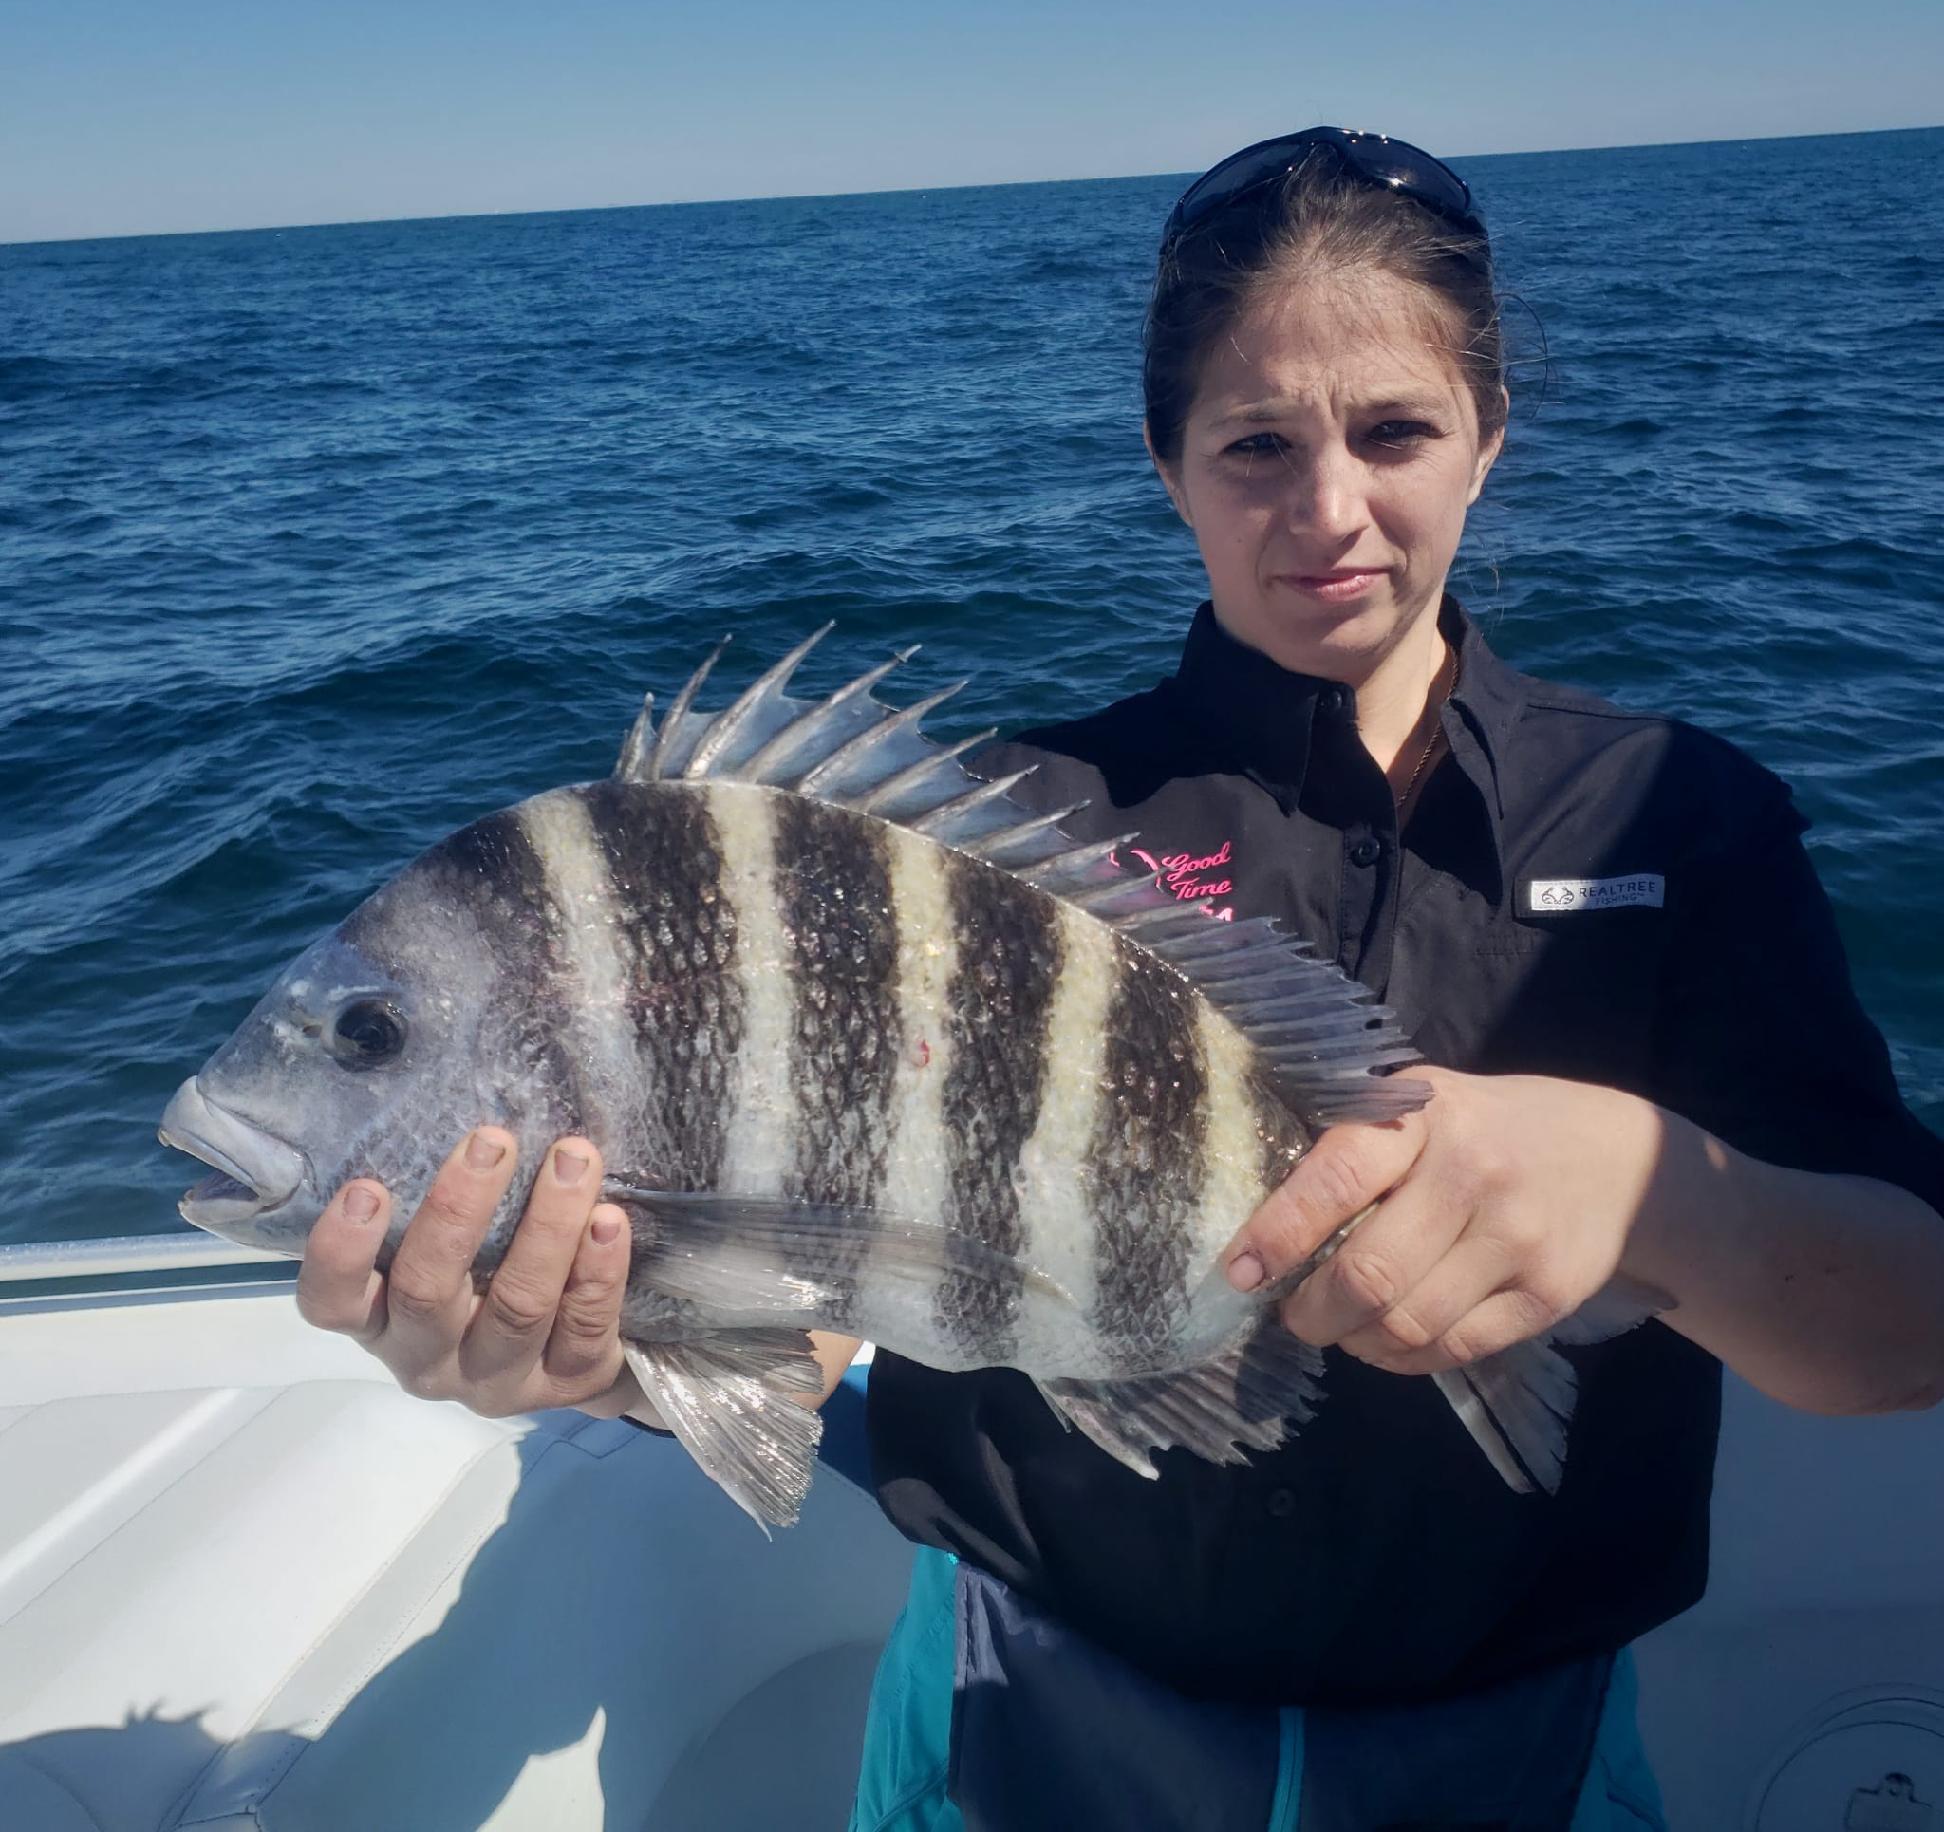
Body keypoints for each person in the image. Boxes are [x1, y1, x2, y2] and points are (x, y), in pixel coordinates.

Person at [292, 128, 1944, 1829]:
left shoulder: (1682, 816)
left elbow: (1911, 1334)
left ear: (1490, 435)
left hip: (1521, 1741)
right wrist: (597, 1351)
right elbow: (819, 1307)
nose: (1328, 510)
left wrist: (1656, 1194)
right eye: (1255, 444)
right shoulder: (1004, 838)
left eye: (1395, 431)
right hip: (1020, 1711)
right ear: (1167, 464)